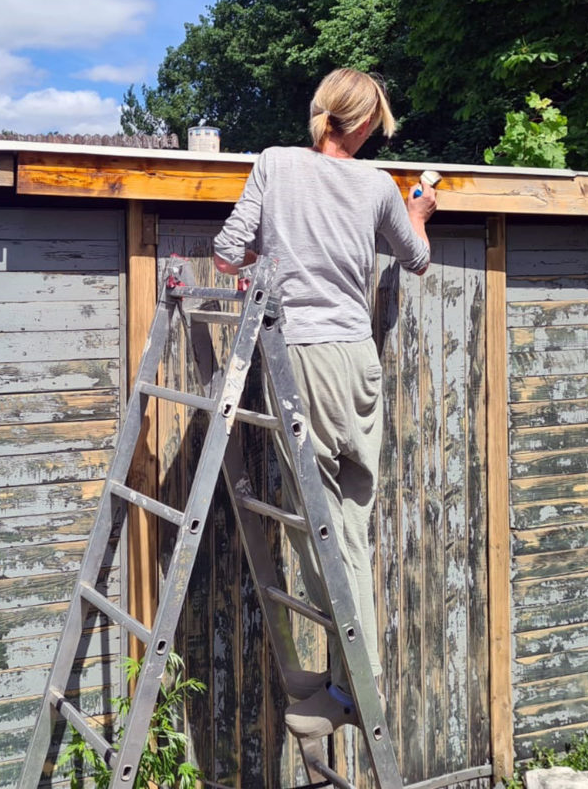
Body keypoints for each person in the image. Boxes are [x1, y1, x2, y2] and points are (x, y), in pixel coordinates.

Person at [212, 68, 437, 739]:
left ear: (322, 114)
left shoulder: (276, 165)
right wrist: (420, 210)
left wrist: (279, 243)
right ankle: (353, 682)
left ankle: (352, 682)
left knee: (323, 521)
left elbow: (227, 256)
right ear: (365, 123)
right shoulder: (378, 186)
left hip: (300, 359)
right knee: (353, 518)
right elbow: (416, 259)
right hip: (357, 361)